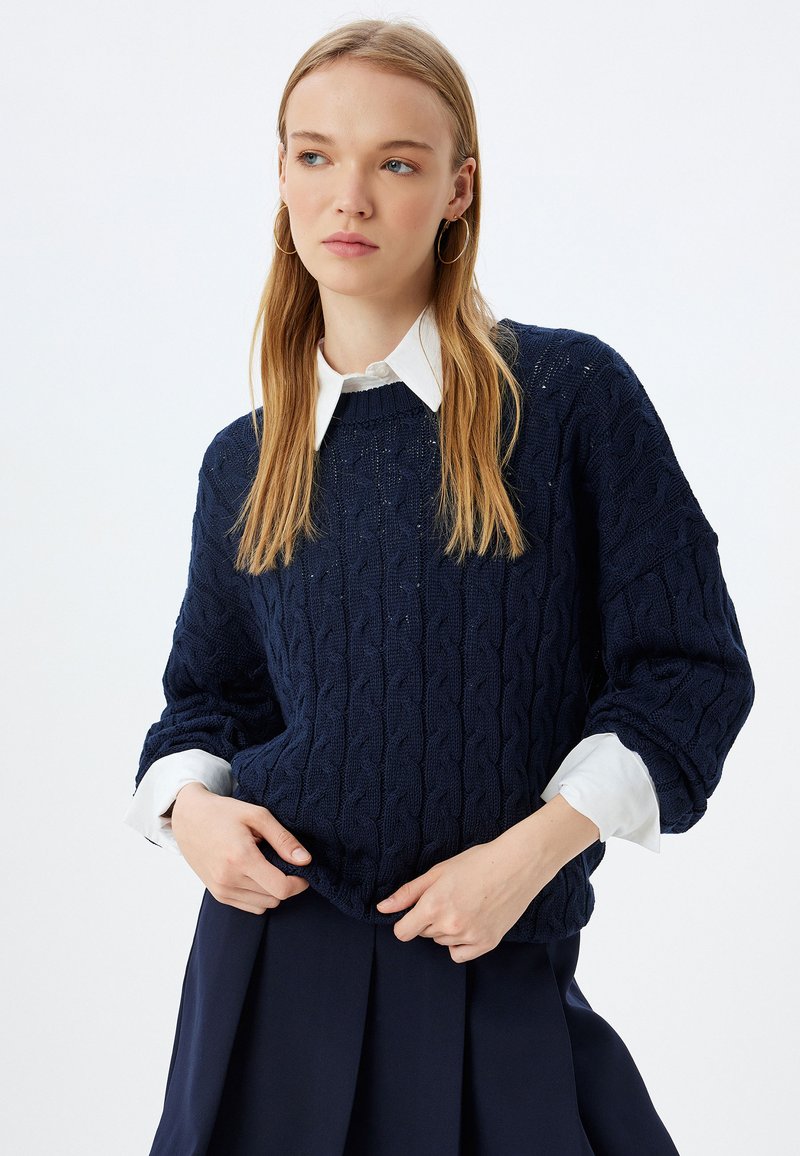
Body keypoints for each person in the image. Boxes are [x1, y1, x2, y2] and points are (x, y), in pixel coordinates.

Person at [123, 17, 756, 1155]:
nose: (350, 197)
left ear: (459, 189)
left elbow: (687, 672)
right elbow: (204, 702)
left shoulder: (564, 399)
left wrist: (530, 854)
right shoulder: (245, 461)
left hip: (492, 957)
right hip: (269, 972)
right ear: (281, 176)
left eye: (397, 163)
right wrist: (189, 810)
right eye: (316, 155)